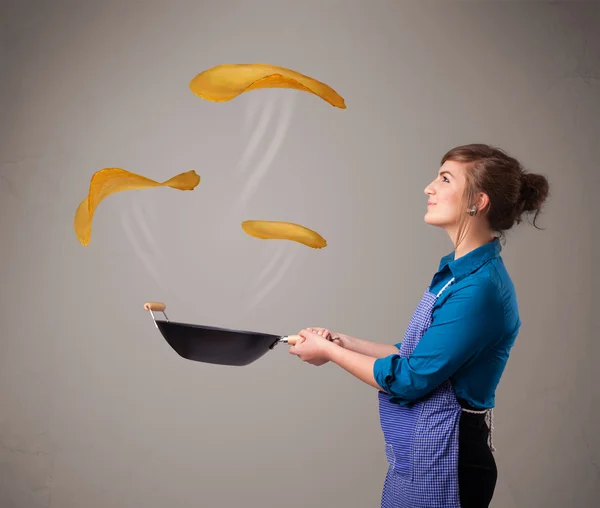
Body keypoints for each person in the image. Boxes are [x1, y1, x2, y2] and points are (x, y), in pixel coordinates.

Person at [289, 144, 550, 508]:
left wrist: (329, 353)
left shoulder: (480, 288)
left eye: (445, 179)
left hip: (447, 461)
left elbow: (411, 380)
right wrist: (342, 342)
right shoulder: (456, 274)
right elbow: (415, 357)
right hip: (422, 455)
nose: (429, 188)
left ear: (479, 201)